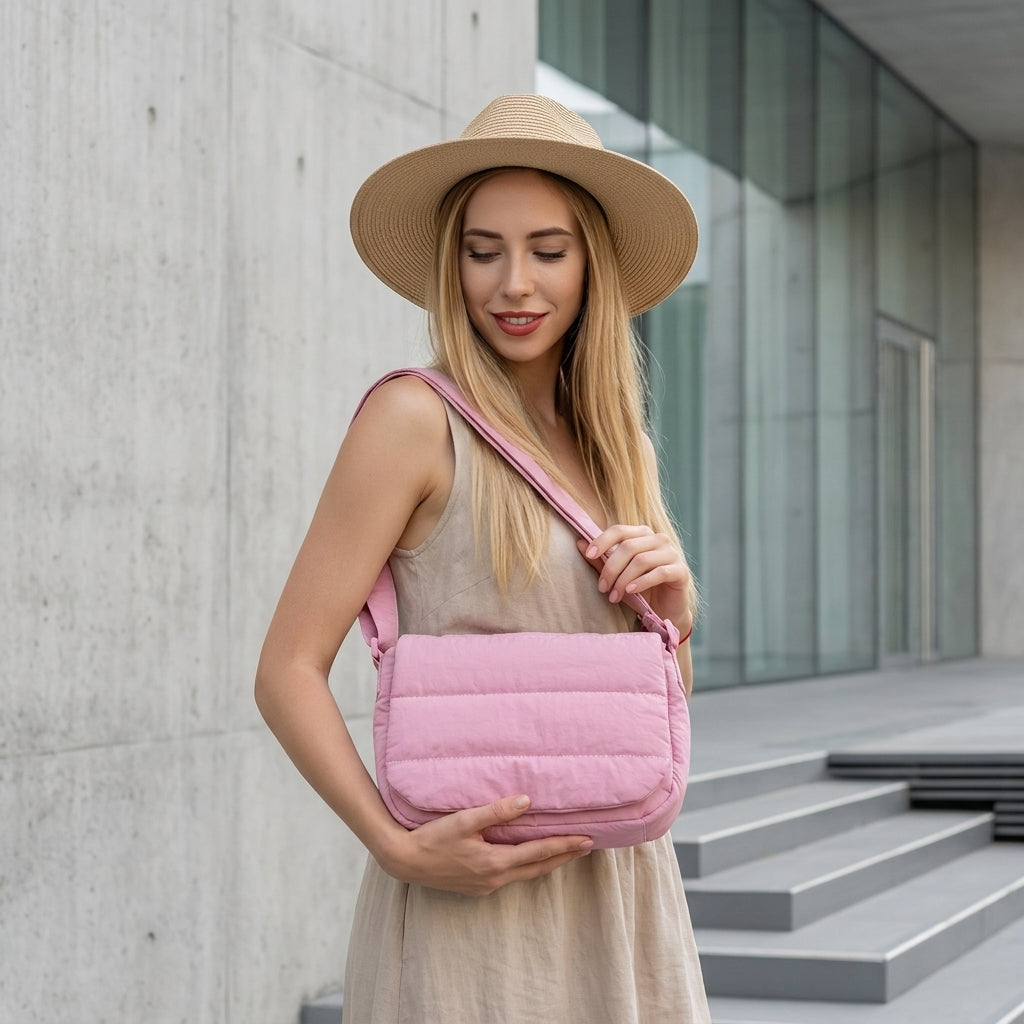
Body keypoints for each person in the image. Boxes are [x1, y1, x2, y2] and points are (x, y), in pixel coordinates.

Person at [255, 94, 711, 1023]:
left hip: (620, 886)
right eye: (482, 249)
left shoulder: (616, 448)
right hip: (475, 907)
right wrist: (394, 845)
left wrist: (675, 612)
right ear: (451, 260)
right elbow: (286, 670)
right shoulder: (414, 420)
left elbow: (649, 701)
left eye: (548, 250)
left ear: (593, 263)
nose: (513, 283)